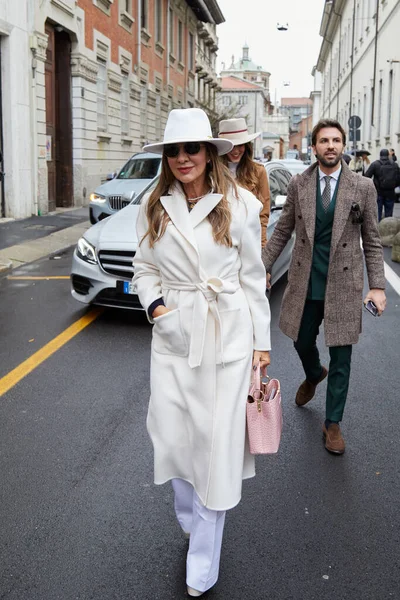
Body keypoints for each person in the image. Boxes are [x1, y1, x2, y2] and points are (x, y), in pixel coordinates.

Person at [132, 108, 271, 597]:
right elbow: (143, 269)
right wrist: (158, 308)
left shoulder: (243, 205)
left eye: (192, 148)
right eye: (174, 151)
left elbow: (255, 279)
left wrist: (261, 345)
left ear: (210, 152)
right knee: (172, 441)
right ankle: (192, 522)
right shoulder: (153, 205)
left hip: (226, 340)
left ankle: (203, 562)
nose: (183, 158)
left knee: (214, 450)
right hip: (172, 340)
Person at [263, 118, 386, 455]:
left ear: (342, 146)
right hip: (305, 282)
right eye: (323, 141)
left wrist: (377, 286)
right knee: (302, 342)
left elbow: (373, 242)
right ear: (314, 146)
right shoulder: (299, 184)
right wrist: (260, 268)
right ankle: (315, 372)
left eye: (335, 140)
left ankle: (332, 424)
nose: (330, 146)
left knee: (342, 358)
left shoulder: (362, 187)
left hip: (344, 285)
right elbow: (282, 231)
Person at [218, 117, 270, 247]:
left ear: (246, 146)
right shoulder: (212, 172)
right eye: (231, 146)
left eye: (240, 145)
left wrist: (262, 246)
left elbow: (263, 215)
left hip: (249, 242)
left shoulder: (258, 172)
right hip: (221, 242)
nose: (236, 151)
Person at [365, 148, 400, 220]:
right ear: (388, 155)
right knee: (389, 216)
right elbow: (398, 178)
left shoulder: (375, 164)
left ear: (380, 155)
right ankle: (388, 229)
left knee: (377, 214)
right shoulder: (395, 165)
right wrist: (393, 185)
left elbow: (366, 177)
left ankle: (377, 229)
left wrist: (373, 186)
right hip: (391, 192)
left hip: (378, 192)